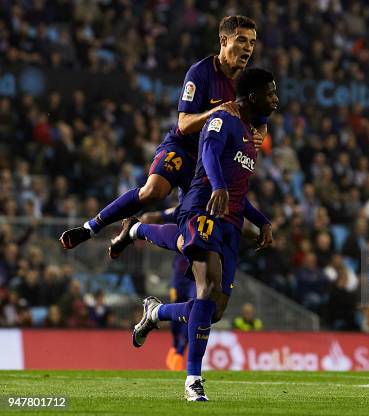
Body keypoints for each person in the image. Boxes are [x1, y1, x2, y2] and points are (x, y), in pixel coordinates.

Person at [111, 67, 277, 401]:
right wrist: (216, 185)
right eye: (271, 92)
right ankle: (193, 381)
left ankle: (155, 311)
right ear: (253, 95)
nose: (276, 99)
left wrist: (263, 221)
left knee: (213, 309)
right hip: (203, 207)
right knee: (208, 287)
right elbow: (209, 153)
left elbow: (240, 192)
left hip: (229, 222)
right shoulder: (224, 119)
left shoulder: (250, 134)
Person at [59, 15, 267, 251]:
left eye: (251, 43)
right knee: (153, 190)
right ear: (223, 40)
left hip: (208, 164)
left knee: (205, 229)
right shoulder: (200, 72)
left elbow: (262, 119)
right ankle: (90, 228)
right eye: (241, 40)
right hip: (182, 147)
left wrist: (260, 133)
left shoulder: (249, 84)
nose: (248, 48)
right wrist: (215, 112)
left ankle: (138, 229)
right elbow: (184, 123)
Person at [139, 208, 195, 371]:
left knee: (193, 310)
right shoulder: (188, 207)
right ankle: (174, 346)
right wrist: (157, 216)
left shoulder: (209, 206)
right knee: (177, 309)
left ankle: (179, 351)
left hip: (197, 275)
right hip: (179, 274)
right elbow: (173, 214)